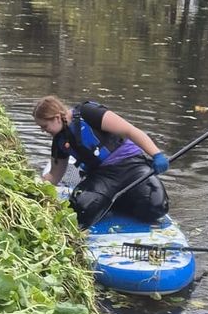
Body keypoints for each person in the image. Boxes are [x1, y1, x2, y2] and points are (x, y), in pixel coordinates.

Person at [34, 95, 170, 228]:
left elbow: (130, 130)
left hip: (132, 166)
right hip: (102, 177)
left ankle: (118, 200)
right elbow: (54, 175)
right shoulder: (59, 141)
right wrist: (34, 189)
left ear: (57, 117)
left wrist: (156, 154)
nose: (43, 131)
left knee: (157, 207)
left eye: (44, 126)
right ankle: (111, 199)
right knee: (79, 212)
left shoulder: (88, 112)